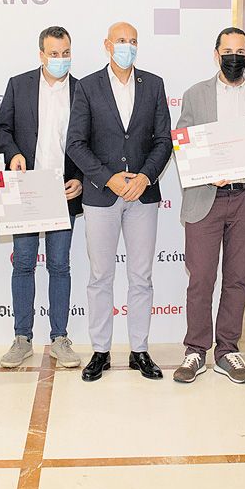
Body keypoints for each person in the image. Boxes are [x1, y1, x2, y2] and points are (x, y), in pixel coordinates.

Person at [66, 21, 172, 382]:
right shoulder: (87, 86)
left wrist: (144, 177)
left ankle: (139, 350)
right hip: (101, 195)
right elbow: (76, 143)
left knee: (141, 276)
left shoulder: (153, 84)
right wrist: (109, 177)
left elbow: (163, 141)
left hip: (143, 193)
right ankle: (100, 351)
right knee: (100, 276)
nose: (127, 47)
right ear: (107, 45)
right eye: (121, 41)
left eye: (133, 41)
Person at [172, 27, 245, 385]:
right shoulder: (195, 94)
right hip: (206, 198)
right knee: (200, 278)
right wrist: (208, 171)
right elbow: (183, 145)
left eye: (241, 50)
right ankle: (195, 350)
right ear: (216, 54)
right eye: (228, 50)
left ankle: (227, 349)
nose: (235, 56)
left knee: (237, 280)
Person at [0, 26, 84, 370]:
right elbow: (1, 130)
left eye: (65, 53)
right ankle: (22, 339)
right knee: (24, 263)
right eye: (54, 54)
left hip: (64, 192)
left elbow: (92, 142)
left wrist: (82, 181)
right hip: (26, 190)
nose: (60, 60)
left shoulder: (83, 90)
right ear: (41, 55)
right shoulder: (20, 84)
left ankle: (60, 338)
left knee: (60, 265)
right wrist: (13, 153)